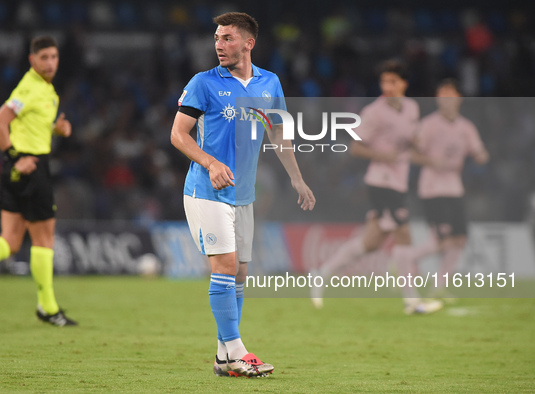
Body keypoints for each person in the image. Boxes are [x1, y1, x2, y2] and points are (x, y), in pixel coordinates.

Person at [171, 12, 315, 377]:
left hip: (244, 196)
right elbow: (178, 134)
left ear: (249, 43)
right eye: (217, 38)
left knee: (240, 274)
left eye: (228, 38)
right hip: (207, 191)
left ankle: (223, 358)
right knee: (223, 268)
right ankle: (237, 351)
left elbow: (278, 135)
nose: (219, 44)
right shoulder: (204, 83)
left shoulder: (270, 83)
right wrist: (210, 163)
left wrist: (297, 179)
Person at [0, 36, 77, 326]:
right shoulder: (29, 87)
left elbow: (28, 127)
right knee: (44, 239)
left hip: (16, 170)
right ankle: (48, 307)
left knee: (10, 240)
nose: (50, 63)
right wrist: (15, 155)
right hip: (30, 167)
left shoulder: (47, 91)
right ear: (32, 60)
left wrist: (56, 129)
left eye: (54, 57)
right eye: (43, 57)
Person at [311, 60, 442, 314]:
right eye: (384, 81)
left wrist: (418, 145)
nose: (387, 86)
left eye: (392, 81)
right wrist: (385, 157)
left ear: (404, 83)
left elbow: (411, 141)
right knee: (404, 233)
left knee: (371, 242)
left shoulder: (412, 108)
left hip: (398, 182)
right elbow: (355, 147)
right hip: (381, 182)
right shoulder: (374, 112)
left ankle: (321, 273)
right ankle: (412, 301)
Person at [411, 78, 489, 298]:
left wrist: (482, 156)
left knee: (460, 240)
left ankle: (439, 287)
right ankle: (407, 258)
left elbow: (479, 151)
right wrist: (431, 162)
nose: (445, 101)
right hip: (432, 188)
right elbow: (412, 154)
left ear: (458, 99)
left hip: (454, 188)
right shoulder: (428, 125)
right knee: (441, 241)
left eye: (449, 96)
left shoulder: (466, 127)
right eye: (441, 97)